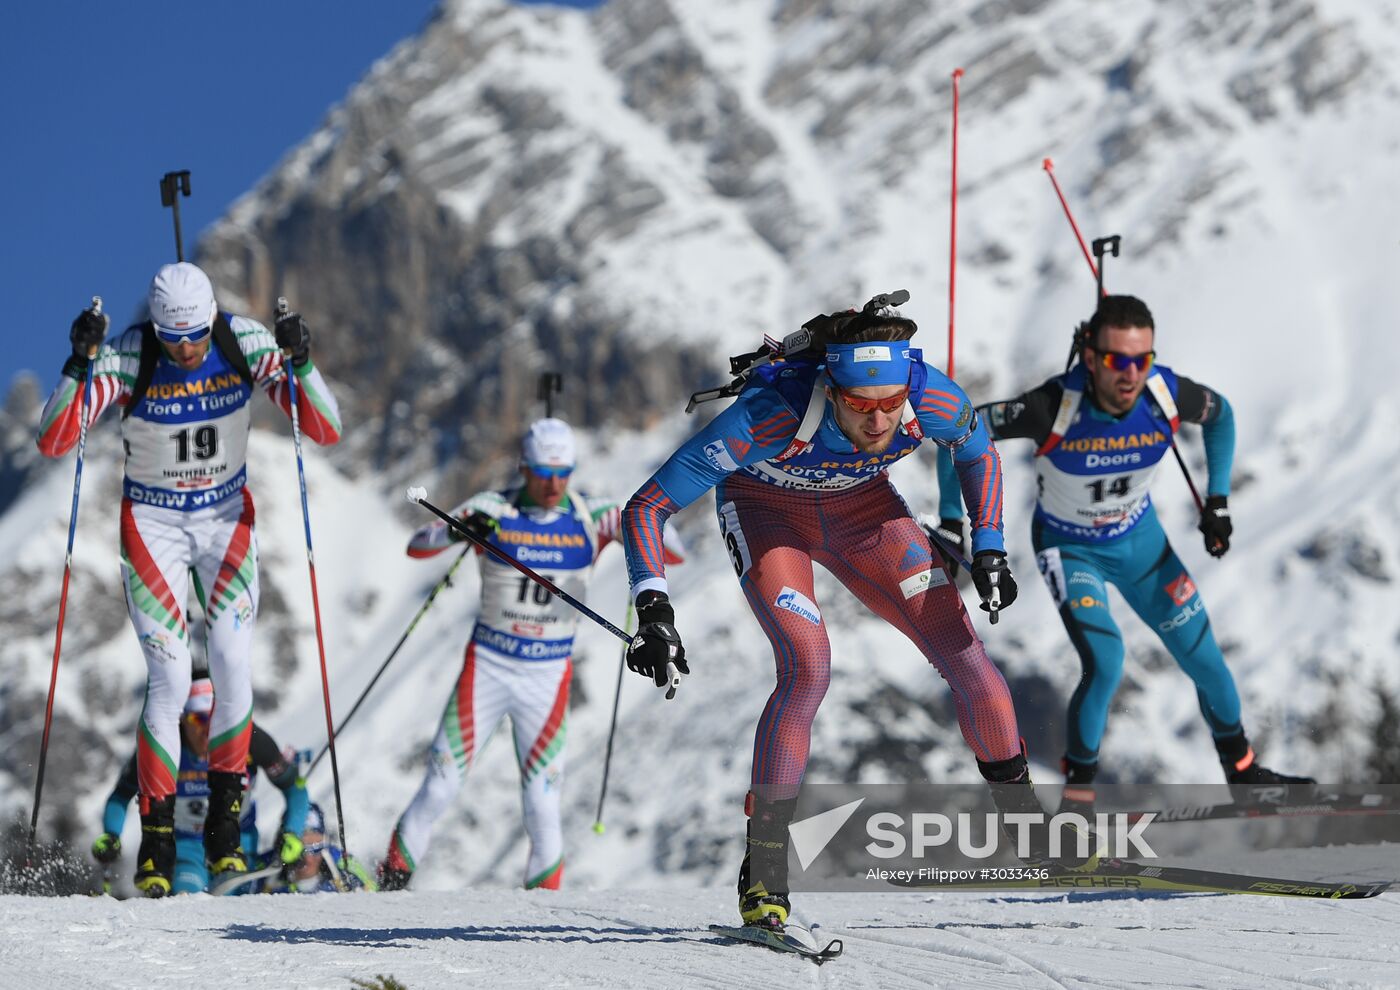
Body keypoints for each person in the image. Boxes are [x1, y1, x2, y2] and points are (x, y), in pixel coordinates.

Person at [620, 294, 1034, 931]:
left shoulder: (932, 396)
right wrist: (653, 609)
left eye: (891, 406)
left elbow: (978, 453)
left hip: (865, 512)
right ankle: (764, 871)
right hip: (765, 510)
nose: (878, 422)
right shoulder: (769, 416)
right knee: (808, 666)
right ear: (831, 388)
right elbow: (647, 507)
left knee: (968, 658)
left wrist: (993, 548)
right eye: (861, 406)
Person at [38, 261, 341, 896]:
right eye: (174, 338)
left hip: (223, 518)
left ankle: (227, 838)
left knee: (231, 662)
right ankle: (156, 844)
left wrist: (301, 360)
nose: (186, 349)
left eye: (196, 335)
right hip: (154, 525)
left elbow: (322, 426)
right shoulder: (129, 356)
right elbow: (54, 439)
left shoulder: (242, 341)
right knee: (172, 677)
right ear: (155, 327)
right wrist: (79, 361)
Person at [958, 294, 1311, 810]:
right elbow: (962, 430)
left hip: (1140, 543)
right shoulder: (1054, 405)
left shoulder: (1164, 394)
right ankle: (1077, 804)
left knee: (1206, 661)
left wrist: (1218, 503)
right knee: (1106, 662)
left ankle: (1243, 773)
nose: (1129, 374)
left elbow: (1222, 416)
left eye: (1141, 361)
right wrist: (954, 521)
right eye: (1116, 360)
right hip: (1069, 547)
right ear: (1090, 356)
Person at [378, 418, 683, 891]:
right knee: (440, 787)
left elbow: (672, 550)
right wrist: (458, 531)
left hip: (547, 676)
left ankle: (541, 917)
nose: (553, 484)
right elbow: (417, 545)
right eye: (542, 472)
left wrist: (631, 529)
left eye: (563, 473)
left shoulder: (591, 514)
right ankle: (390, 885)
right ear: (523, 467)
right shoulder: (493, 507)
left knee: (542, 802)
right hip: (489, 668)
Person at [90, 677, 313, 894]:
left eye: (215, 718)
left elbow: (295, 790)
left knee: (234, 904)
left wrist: (292, 832)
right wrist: (111, 834)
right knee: (189, 898)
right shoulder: (164, 746)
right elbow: (121, 795)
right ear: (183, 720)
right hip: (187, 848)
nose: (207, 729)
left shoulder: (250, 739)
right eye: (199, 720)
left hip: (238, 844)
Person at [240, 803, 377, 894]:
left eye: (315, 847)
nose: (307, 858)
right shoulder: (262, 869)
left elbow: (373, 897)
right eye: (298, 849)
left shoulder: (345, 865)